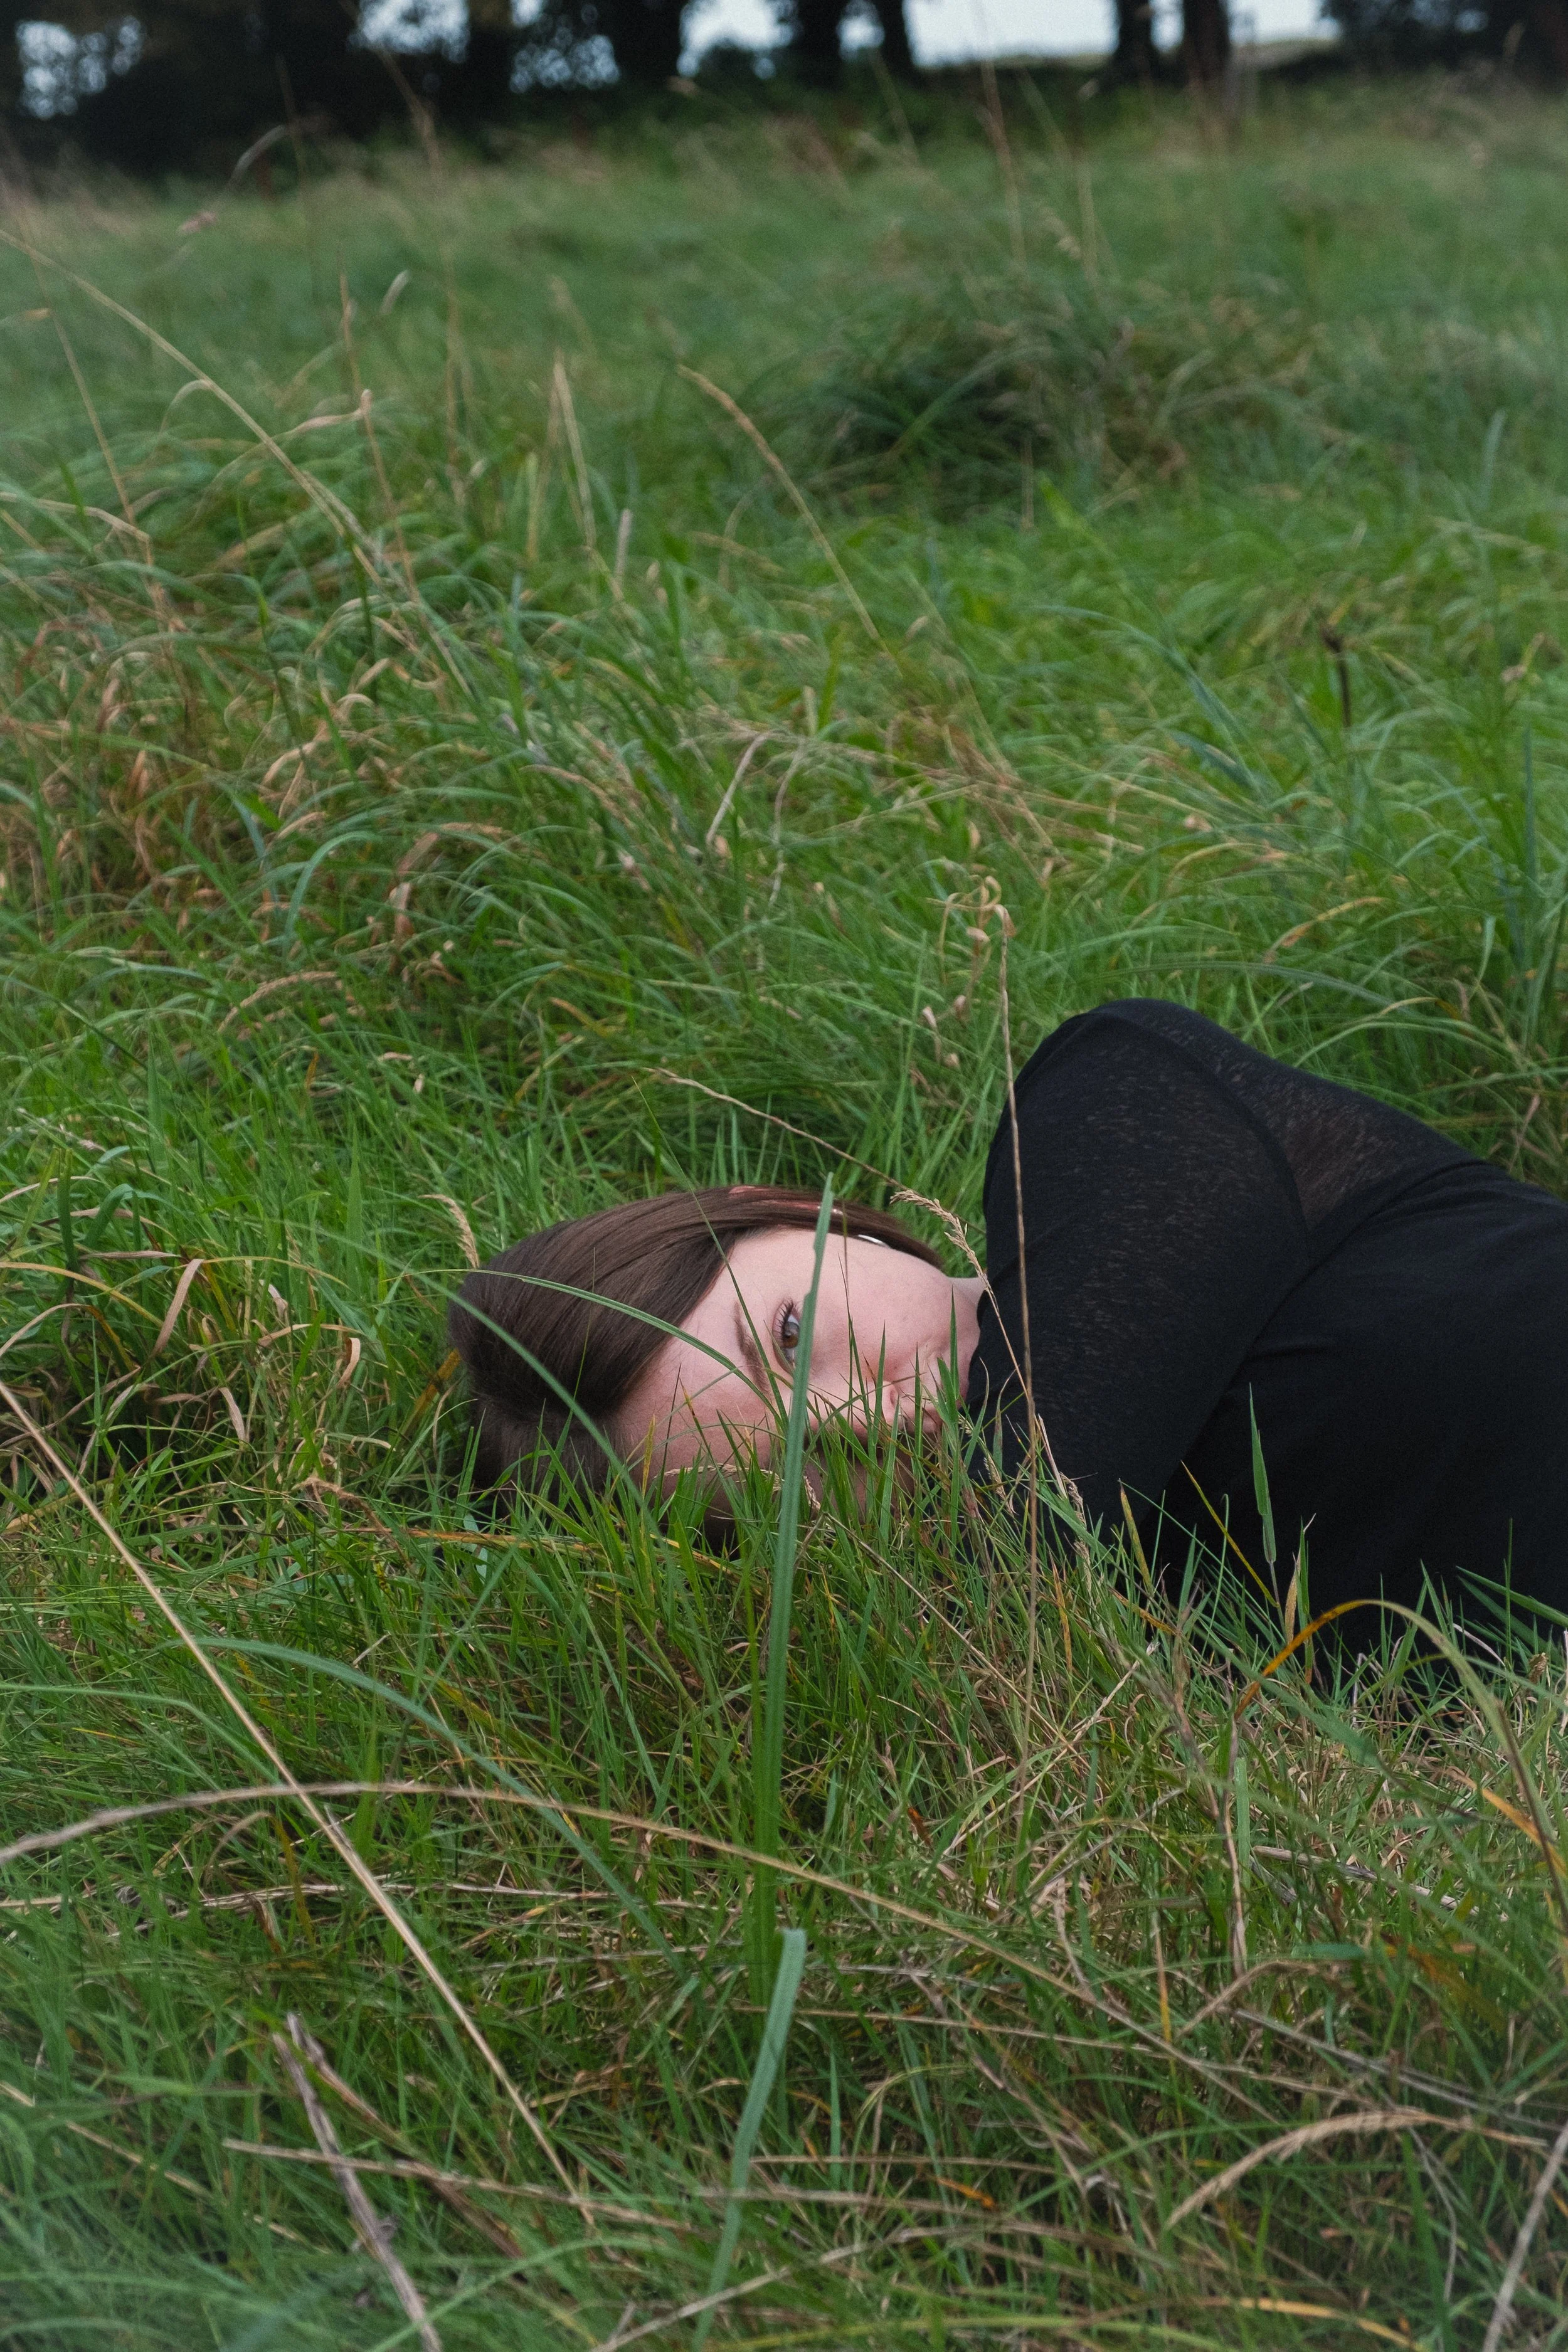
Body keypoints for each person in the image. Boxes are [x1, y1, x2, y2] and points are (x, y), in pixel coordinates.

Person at [450, 1000, 1568, 1634]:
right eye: (787, 1491)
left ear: (808, 1217)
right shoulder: (1114, 1634)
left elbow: (1043, 1502)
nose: (864, 1423)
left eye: (792, 1339)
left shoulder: (1114, 1110)